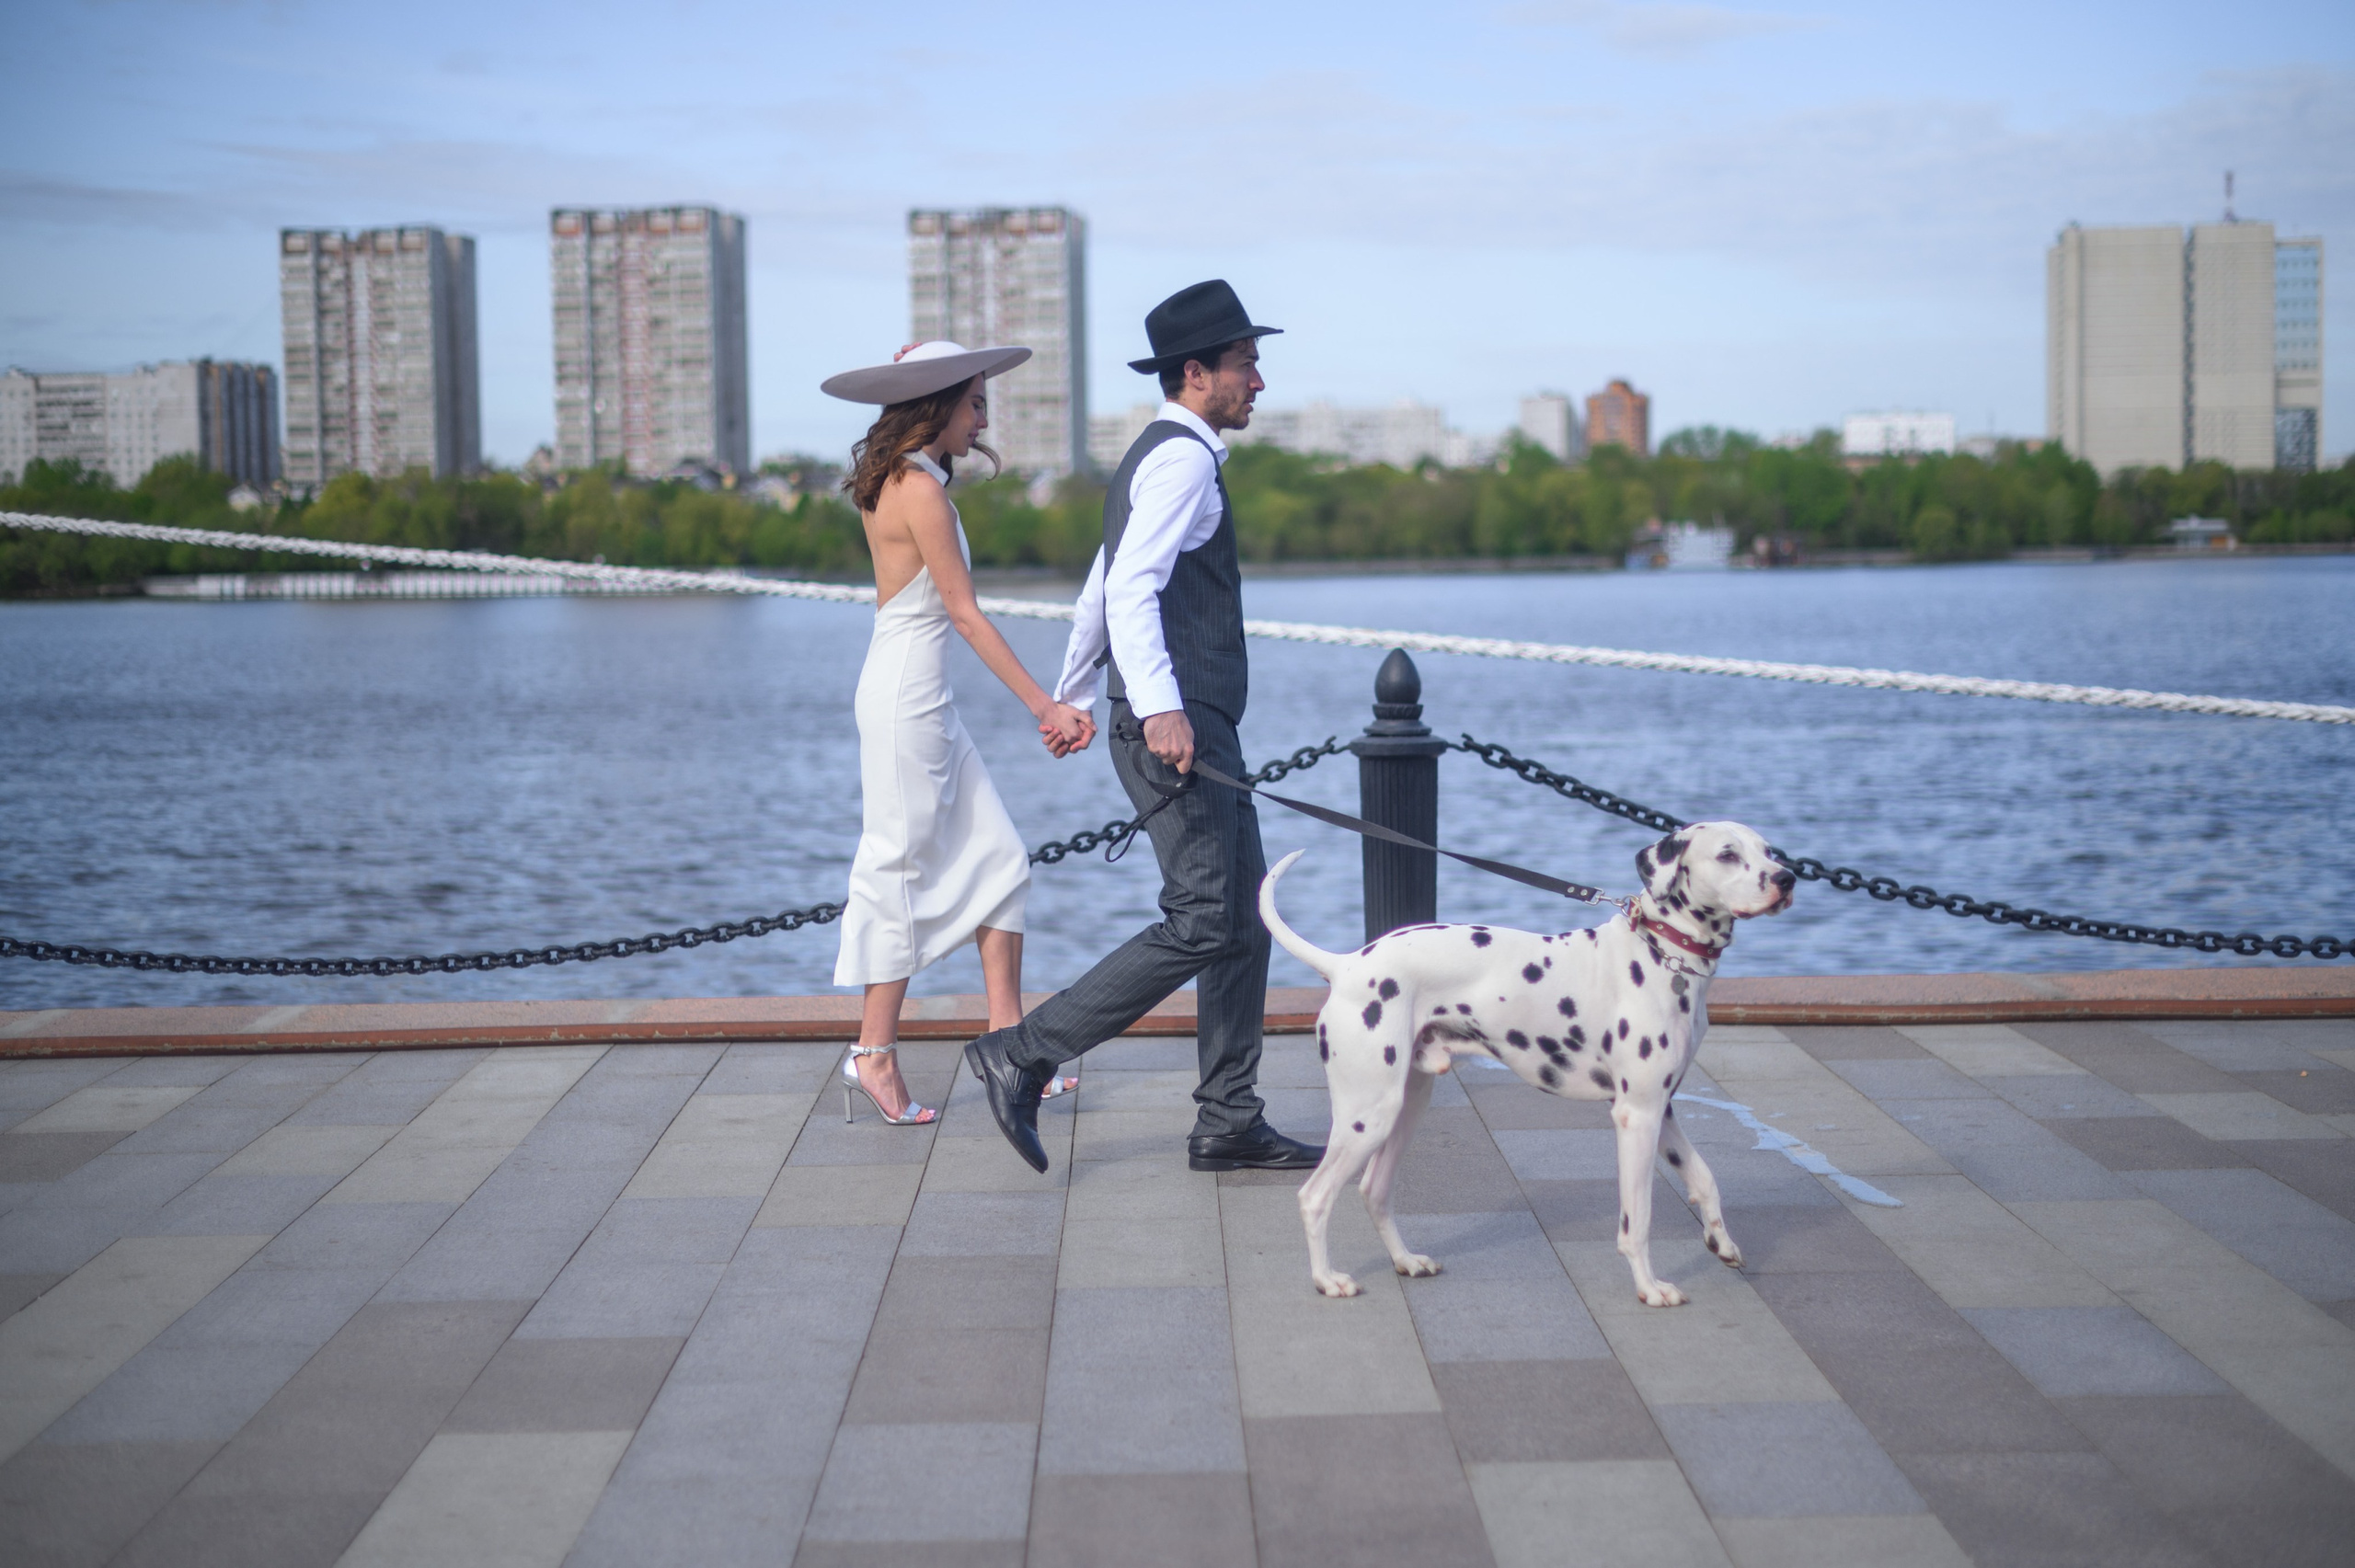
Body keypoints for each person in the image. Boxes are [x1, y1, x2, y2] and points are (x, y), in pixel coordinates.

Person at [963, 281, 1326, 1175]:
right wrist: (1156, 707)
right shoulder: (1181, 460)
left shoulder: (1156, 456)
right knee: (1203, 915)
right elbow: (1127, 591)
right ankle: (1024, 1050)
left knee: (1239, 918)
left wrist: (1073, 692)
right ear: (1197, 373)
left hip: (1183, 719)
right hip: (1179, 724)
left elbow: (1100, 587)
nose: (1258, 382)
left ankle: (1228, 1117)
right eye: (1245, 365)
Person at [822, 341, 1096, 1124]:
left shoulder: (903, 479)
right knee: (897, 867)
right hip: (908, 697)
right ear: (936, 405)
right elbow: (965, 614)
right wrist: (1046, 706)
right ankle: (872, 1054)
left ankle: (1012, 1050)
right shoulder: (920, 491)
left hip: (916, 692)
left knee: (1001, 862)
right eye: (975, 400)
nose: (985, 415)